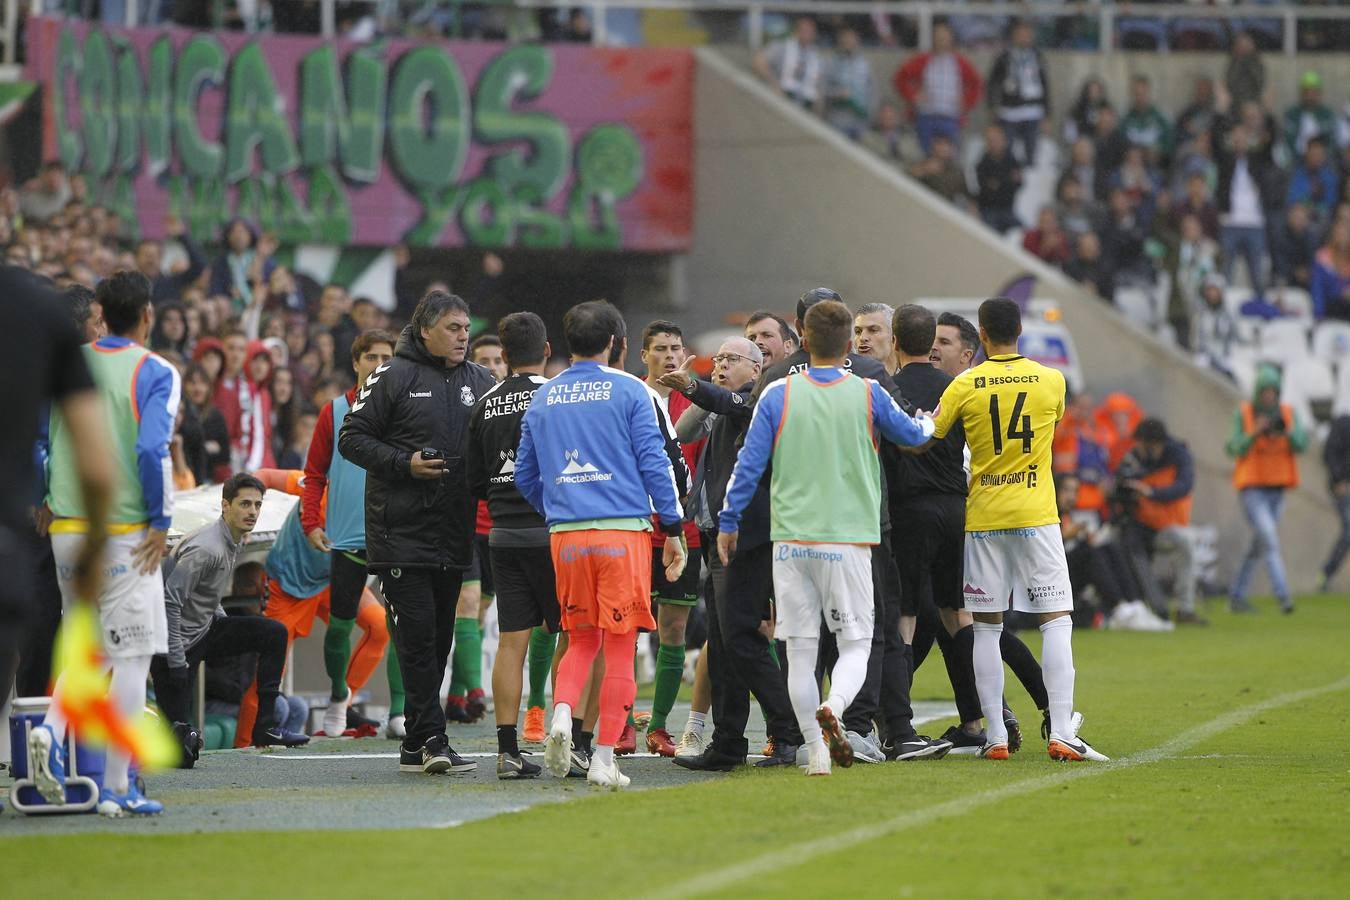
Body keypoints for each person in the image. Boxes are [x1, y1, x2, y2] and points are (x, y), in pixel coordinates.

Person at [719, 300, 934, 777]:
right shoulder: (868, 392)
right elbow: (915, 435)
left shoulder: (777, 393)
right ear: (847, 345)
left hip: (791, 542)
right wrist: (933, 420)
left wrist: (729, 523)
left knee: (799, 650)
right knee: (856, 643)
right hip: (849, 539)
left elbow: (747, 466)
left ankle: (815, 753)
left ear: (805, 340)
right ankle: (835, 705)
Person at [514, 300, 687, 790]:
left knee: (579, 639)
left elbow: (525, 475)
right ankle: (605, 757)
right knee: (618, 647)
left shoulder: (544, 397)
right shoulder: (632, 390)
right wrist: (672, 529)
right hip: (623, 533)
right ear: (616, 342)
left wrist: (558, 507)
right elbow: (657, 463)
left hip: (566, 536)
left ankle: (563, 715)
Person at [929, 297, 1108, 763]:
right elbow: (1052, 422)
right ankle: (1062, 729)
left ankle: (995, 736)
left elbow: (932, 435)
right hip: (1036, 515)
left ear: (982, 336)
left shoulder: (966, 384)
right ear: (1020, 331)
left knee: (986, 628)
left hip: (984, 516)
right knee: (1057, 621)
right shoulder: (1052, 381)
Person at [33, 270, 183, 816]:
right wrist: (161, 522)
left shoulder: (67, 363)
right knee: (132, 655)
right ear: (147, 314)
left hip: (67, 530)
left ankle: (49, 733)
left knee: (89, 646)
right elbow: (151, 451)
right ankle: (118, 786)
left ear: (101, 310)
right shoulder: (155, 370)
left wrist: (43, 496)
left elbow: (38, 441)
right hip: (122, 534)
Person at [339, 290, 496, 775]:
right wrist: (403, 463)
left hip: (454, 531)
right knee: (417, 636)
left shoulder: (481, 380)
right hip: (399, 532)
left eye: (467, 328)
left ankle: (415, 742)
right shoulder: (391, 375)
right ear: (424, 329)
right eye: (453, 328)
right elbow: (352, 437)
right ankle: (432, 740)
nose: (463, 336)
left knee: (439, 639)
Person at [660, 337, 805, 771]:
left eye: (732, 359)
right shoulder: (721, 406)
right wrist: (696, 392)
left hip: (745, 534)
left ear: (757, 370)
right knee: (723, 643)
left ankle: (788, 732)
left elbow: (732, 404)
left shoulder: (757, 402)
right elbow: (682, 431)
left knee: (741, 639)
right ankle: (727, 743)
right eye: (718, 358)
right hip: (715, 533)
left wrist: (696, 387)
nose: (721, 364)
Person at [0, 267, 112, 761]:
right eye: (96, 322)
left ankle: (34, 742)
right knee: (46, 631)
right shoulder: (49, 339)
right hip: (42, 520)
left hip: (44, 519)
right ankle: (41, 741)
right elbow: (69, 447)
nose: (102, 330)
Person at [151, 472, 308, 755]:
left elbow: (208, 593)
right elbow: (169, 602)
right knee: (182, 754)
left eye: (257, 505)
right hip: (171, 650)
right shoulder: (206, 547)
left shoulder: (234, 538)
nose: (253, 512)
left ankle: (265, 726)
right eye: (245, 504)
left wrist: (223, 623)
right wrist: (176, 661)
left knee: (274, 633)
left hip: (205, 631)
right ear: (225, 506)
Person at [234, 468, 393, 746]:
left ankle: (341, 705)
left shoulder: (375, 499)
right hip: (288, 587)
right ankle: (243, 747)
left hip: (331, 581)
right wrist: (240, 525)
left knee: (379, 625)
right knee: (270, 675)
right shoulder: (311, 483)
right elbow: (263, 477)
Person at [466, 312, 559, 779]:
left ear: (502, 357)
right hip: (553, 531)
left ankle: (507, 750)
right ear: (546, 351)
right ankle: (572, 738)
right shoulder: (555, 396)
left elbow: (474, 478)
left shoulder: (483, 404)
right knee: (574, 638)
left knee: (511, 642)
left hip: (502, 533)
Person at [301, 329, 397, 738]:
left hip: (395, 534)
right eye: (371, 357)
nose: (379, 364)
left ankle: (401, 712)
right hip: (346, 535)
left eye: (386, 357)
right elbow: (314, 473)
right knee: (340, 626)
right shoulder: (334, 411)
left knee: (400, 626)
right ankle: (340, 694)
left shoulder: (405, 409)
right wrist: (310, 522)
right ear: (356, 363)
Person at [638, 320, 705, 757]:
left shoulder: (697, 401)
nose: (668, 355)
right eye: (660, 348)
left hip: (687, 530)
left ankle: (658, 725)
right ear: (643, 355)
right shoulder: (630, 396)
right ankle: (620, 720)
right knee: (623, 628)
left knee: (674, 628)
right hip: (636, 530)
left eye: (675, 348)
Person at [1226, 364, 1306, 614]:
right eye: (1265, 391)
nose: (1269, 396)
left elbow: (1302, 444)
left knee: (1259, 545)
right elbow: (1232, 447)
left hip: (1277, 488)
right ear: (1258, 392)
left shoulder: (1288, 413)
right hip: (1253, 488)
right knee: (1269, 540)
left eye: (1273, 391)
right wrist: (1255, 432)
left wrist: (1288, 432)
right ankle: (1284, 597)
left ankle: (1237, 597)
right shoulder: (1245, 413)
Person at [1117, 419, 1203, 625]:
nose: (1137, 447)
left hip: (1165, 525)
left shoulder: (1179, 456)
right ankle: (1128, 608)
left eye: (1142, 443)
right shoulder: (1133, 458)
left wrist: (1150, 492)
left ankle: (1185, 608)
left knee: (1186, 544)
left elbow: (1183, 486)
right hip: (1137, 524)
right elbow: (1119, 487)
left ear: (1154, 444)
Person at [893, 20, 982, 155]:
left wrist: (966, 102)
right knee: (925, 154)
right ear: (933, 38)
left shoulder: (959, 63)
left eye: (945, 37)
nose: (942, 40)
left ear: (951, 38)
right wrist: (912, 96)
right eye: (938, 37)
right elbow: (900, 78)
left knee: (950, 157)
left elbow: (977, 83)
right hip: (926, 116)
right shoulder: (923, 60)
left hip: (950, 117)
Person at [986, 19, 1050, 166]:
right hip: (1009, 111)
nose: (1024, 37)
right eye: (1020, 33)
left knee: (1032, 150)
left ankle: (1029, 178)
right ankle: (1009, 175)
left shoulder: (1037, 56)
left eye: (1027, 34)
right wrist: (992, 106)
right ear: (1013, 35)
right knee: (1006, 149)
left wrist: (1047, 114)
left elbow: (1045, 85)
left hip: (1033, 111)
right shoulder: (1004, 57)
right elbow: (992, 84)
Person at [753, 17, 822, 110]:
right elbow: (759, 61)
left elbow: (818, 83)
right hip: (784, 97)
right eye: (803, 31)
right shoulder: (782, 46)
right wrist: (774, 83)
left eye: (810, 32)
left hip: (806, 103)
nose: (807, 35)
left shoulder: (816, 55)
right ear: (796, 31)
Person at [822, 27, 874, 140]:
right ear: (840, 42)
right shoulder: (831, 64)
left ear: (857, 41)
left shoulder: (864, 64)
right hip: (838, 120)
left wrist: (870, 118)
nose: (848, 43)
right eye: (845, 40)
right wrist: (836, 93)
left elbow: (872, 93)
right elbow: (822, 90)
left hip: (860, 120)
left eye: (851, 40)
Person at [1319, 411, 1350, 593]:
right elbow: (1329, 453)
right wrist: (1338, 479)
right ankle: (1326, 574)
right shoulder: (1343, 424)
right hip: (1343, 487)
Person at [976, 124, 1023, 234]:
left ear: (1004, 140)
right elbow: (987, 190)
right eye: (990, 140)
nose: (994, 143)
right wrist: (1008, 181)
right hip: (988, 211)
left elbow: (1018, 184)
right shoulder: (982, 164)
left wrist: (999, 183)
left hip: (1008, 210)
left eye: (997, 139)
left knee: (1023, 233)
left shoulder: (1012, 161)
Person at [1282, 71, 1337, 161]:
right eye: (1307, 92)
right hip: (1297, 161)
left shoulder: (1327, 114)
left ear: (1319, 93)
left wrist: (1319, 157)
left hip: (1323, 161)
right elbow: (1287, 142)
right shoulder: (1292, 114)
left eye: (1313, 92)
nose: (1310, 96)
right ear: (1301, 93)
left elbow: (1332, 142)